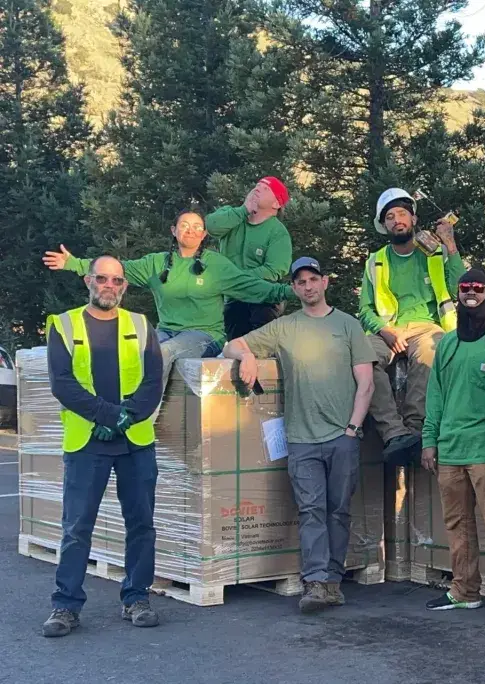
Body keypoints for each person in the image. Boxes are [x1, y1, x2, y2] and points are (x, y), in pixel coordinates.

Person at [223, 257, 375, 614]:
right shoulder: (284, 327)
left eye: (313, 279)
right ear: (294, 289)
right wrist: (246, 357)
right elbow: (233, 345)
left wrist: (352, 429)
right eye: (300, 282)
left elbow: (366, 382)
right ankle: (316, 582)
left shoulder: (348, 325)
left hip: (343, 436)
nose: (308, 286)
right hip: (302, 438)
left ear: (325, 282)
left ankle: (334, 581)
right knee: (311, 511)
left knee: (338, 511)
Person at [43, 210, 296, 395]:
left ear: (204, 234)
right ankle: (113, 403)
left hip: (205, 335)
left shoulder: (216, 265)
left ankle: (139, 418)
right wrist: (73, 264)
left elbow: (253, 287)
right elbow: (116, 270)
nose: (191, 230)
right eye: (184, 225)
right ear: (173, 230)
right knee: (131, 350)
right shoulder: (156, 263)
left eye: (198, 226)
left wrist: (292, 291)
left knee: (163, 352)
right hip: (166, 329)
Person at [41, 256, 164, 637]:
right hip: (87, 442)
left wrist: (126, 417)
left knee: (141, 524)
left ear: (124, 286)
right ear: (88, 282)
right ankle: (66, 606)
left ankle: (136, 598)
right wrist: (110, 417)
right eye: (102, 278)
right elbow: (63, 383)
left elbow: (153, 381)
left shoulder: (142, 325)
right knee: (77, 527)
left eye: (116, 280)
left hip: (135, 441)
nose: (109, 285)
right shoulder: (63, 325)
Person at [420, 268, 485, 627]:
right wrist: (429, 441)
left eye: (478, 288)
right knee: (457, 524)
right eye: (465, 288)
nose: (471, 293)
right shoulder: (447, 344)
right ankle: (464, 591)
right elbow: (435, 397)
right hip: (450, 450)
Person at [359, 188, 466, 463]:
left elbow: (461, 289)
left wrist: (450, 246)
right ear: (384, 225)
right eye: (391, 216)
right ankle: (394, 433)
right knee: (362, 358)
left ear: (414, 219)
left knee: (430, 352)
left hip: (427, 326)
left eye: (402, 214)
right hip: (387, 329)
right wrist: (385, 331)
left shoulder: (435, 253)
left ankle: (415, 429)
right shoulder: (376, 261)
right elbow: (365, 309)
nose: (397, 220)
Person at [206, 176, 294, 339]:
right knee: (235, 341)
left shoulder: (278, 232)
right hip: (233, 299)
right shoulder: (232, 216)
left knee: (261, 344)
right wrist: (244, 210)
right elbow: (211, 226)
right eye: (257, 185)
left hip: (263, 299)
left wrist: (239, 280)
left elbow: (275, 270)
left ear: (276, 204)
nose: (258, 188)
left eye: (266, 189)